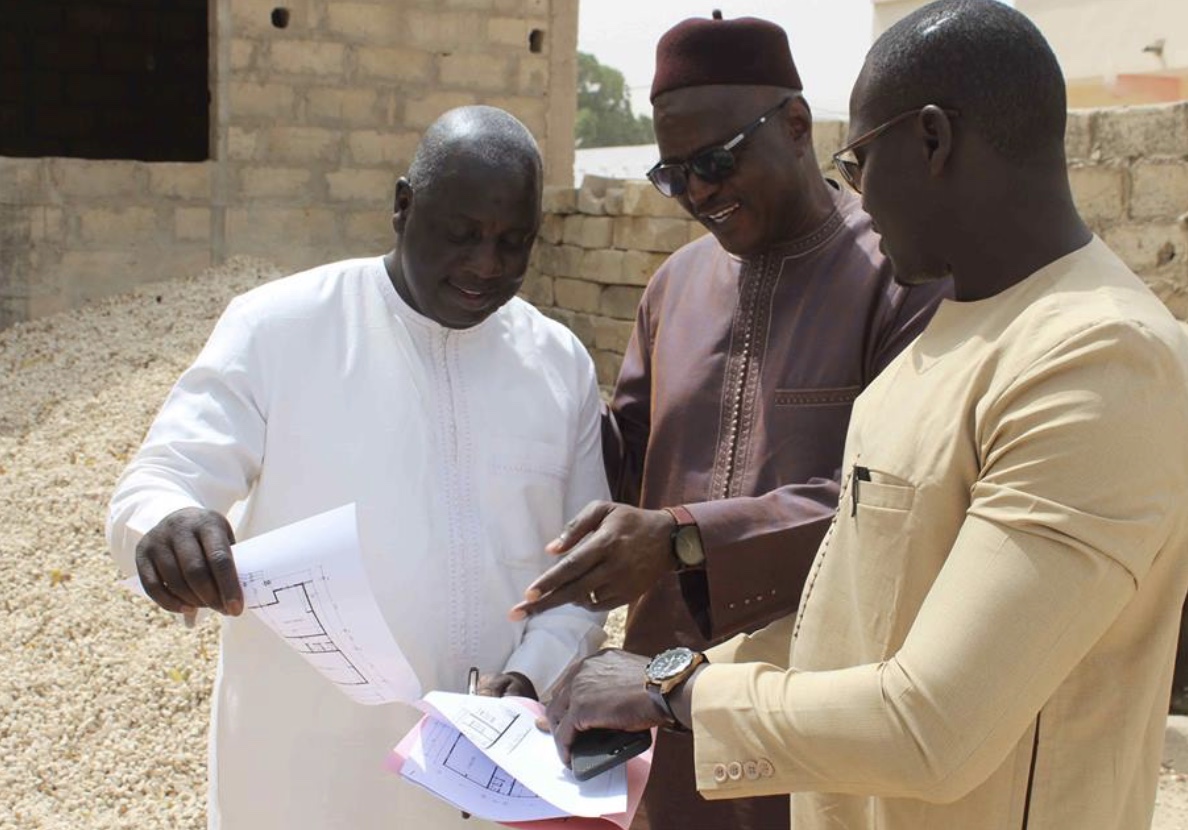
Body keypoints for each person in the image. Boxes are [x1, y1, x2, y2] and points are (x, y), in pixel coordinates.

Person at [543, 2, 1188, 829]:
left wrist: (673, 689)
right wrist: (659, 676)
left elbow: (933, 726)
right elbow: (846, 617)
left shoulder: (1098, 360)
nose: (853, 191)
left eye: (858, 159)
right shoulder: (952, 338)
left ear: (931, 141)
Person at [106, 106, 610, 830]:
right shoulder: (281, 327)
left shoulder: (558, 363)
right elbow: (160, 481)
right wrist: (166, 528)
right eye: (463, 234)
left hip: (489, 778)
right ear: (403, 206)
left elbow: (580, 578)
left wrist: (531, 673)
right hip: (305, 780)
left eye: (513, 242)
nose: (486, 265)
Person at [510, 13, 949, 829]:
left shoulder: (900, 277)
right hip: (659, 714)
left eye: (714, 161)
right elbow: (618, 466)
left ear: (795, 125)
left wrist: (681, 536)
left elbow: (897, 506)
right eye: (674, 175)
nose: (699, 192)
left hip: (815, 713)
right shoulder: (672, 287)